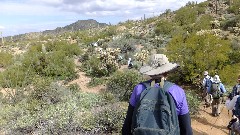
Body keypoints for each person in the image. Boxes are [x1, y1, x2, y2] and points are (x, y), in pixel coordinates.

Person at [122, 54, 193, 135]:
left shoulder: (138, 89)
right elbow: (186, 128)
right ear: (167, 71)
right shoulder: (177, 91)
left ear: (150, 72)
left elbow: (127, 123)